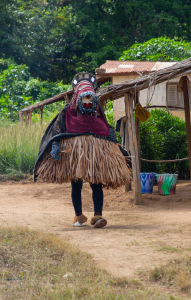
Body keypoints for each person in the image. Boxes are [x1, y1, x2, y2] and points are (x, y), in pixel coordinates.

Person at [34, 72, 131, 228]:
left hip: (80, 152)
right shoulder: (91, 108)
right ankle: (94, 216)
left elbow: (57, 130)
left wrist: (56, 144)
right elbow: (106, 128)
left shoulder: (70, 109)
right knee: (94, 183)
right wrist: (55, 145)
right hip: (89, 151)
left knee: (79, 184)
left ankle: (81, 217)